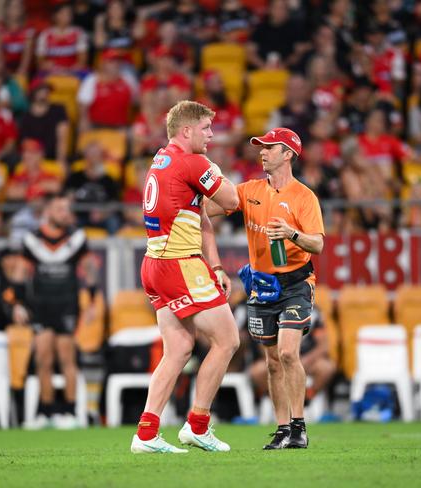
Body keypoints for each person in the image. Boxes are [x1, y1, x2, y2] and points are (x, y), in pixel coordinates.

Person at [131, 100, 240, 454]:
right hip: (179, 262)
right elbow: (232, 199)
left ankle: (146, 434)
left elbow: (199, 215)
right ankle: (198, 425)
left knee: (177, 350)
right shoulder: (193, 162)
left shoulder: (161, 160)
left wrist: (218, 266)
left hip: (154, 263)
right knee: (227, 340)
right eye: (207, 128)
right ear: (187, 130)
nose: (211, 135)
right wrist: (218, 174)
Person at [207, 127, 325, 449]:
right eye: (261, 147)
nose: (262, 152)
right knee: (272, 360)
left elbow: (317, 244)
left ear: (288, 154)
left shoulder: (304, 197)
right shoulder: (249, 190)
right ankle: (283, 428)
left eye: (270, 147)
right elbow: (208, 209)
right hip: (262, 286)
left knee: (288, 352)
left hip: (297, 282)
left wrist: (291, 233)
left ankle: (300, 426)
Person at [19, 192, 98, 430]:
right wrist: (17, 304)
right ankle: (46, 412)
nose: (66, 214)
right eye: (61, 209)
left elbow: (90, 269)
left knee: (66, 358)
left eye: (67, 209)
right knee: (43, 359)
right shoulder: (31, 239)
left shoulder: (77, 237)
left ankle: (71, 412)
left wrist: (93, 302)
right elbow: (21, 275)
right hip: (40, 305)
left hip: (67, 304)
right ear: (48, 212)